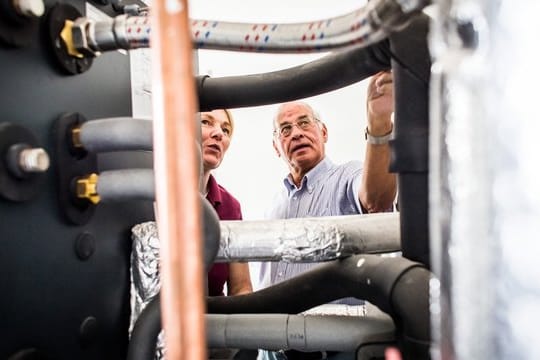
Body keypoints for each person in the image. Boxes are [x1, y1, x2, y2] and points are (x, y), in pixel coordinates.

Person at [258, 71, 396, 360]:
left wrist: (379, 125)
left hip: (335, 350)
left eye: (304, 123)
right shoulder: (273, 205)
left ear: (324, 133)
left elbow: (377, 199)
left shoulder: (347, 176)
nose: (296, 133)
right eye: (285, 129)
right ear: (275, 148)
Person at [200, 109, 253, 297]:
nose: (219, 134)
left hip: (215, 323)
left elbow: (241, 289)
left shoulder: (230, 206)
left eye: (226, 129)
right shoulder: (152, 193)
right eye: (206, 122)